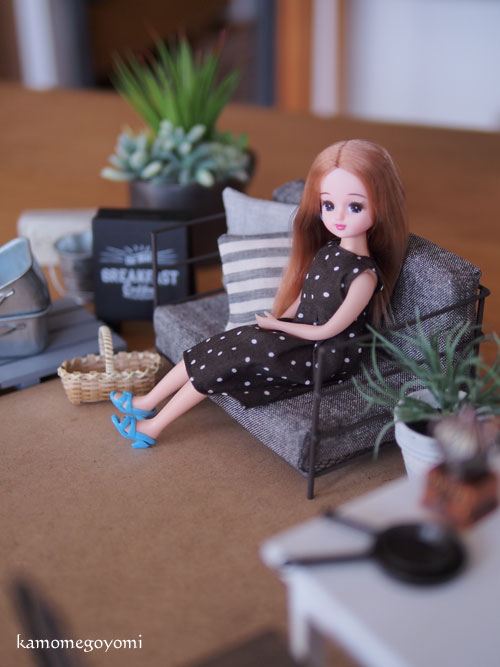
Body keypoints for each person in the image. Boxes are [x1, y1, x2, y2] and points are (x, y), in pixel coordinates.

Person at [110, 139, 409, 448]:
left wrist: (278, 327)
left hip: (322, 357)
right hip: (296, 336)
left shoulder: (364, 276)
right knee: (216, 346)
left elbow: (329, 330)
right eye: (328, 205)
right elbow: (306, 297)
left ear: (381, 206)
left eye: (355, 206)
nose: (339, 217)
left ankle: (152, 427)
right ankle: (146, 403)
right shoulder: (329, 250)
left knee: (223, 364)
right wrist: (280, 321)